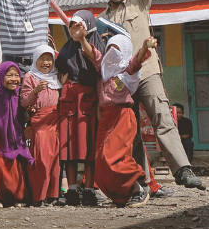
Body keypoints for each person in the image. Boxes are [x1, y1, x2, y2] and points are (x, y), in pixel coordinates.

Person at [97, 0, 204, 190]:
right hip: (121, 82)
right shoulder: (101, 20)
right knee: (128, 130)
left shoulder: (139, 2)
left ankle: (183, 170)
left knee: (163, 117)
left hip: (146, 72)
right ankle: (142, 180)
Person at [77, 30, 154, 207]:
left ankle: (139, 189)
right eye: (110, 47)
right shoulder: (103, 69)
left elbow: (137, 60)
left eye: (116, 48)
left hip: (122, 116)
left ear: (124, 51)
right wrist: (82, 39)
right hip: (106, 118)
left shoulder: (127, 70)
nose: (112, 52)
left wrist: (144, 46)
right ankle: (121, 196)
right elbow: (93, 54)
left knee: (114, 157)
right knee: (102, 160)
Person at [55, 11, 104, 206]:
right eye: (72, 26)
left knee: (89, 146)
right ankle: (73, 190)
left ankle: (90, 189)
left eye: (79, 25)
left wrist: (83, 39)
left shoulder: (97, 45)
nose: (75, 30)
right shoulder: (67, 48)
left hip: (89, 100)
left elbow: (96, 61)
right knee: (70, 147)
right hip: (69, 102)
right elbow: (60, 69)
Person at [0, 62, 32, 207]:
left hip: (17, 136)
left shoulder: (22, 94)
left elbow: (27, 115)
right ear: (1, 76)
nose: (14, 79)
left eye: (16, 75)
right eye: (9, 75)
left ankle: (18, 197)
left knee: (16, 165)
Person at [20, 45, 62, 207]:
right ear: (35, 60)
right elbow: (24, 101)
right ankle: (39, 196)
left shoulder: (56, 77)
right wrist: (35, 91)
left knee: (55, 161)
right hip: (41, 122)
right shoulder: (30, 77)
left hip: (56, 121)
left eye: (49, 58)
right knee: (42, 159)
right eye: (42, 59)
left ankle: (53, 195)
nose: (46, 62)